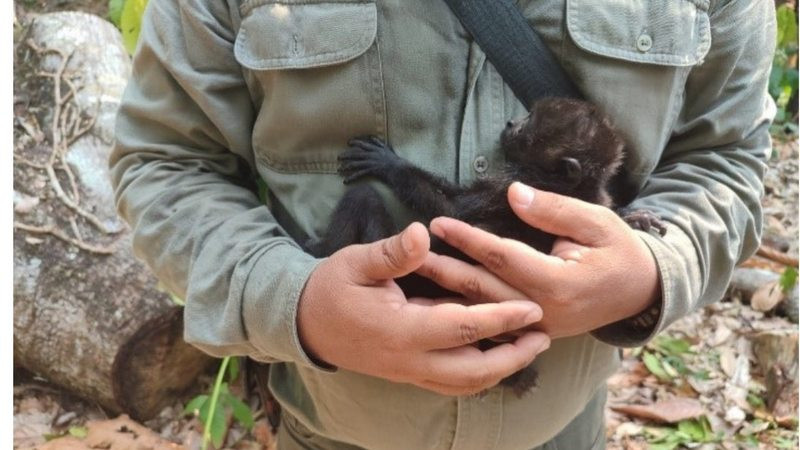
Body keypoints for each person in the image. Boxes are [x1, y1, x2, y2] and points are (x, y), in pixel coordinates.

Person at [110, 1, 776, 448]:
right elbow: (166, 160)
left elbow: (727, 159)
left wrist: (651, 274)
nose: (512, 132)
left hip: (563, 427)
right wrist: (297, 301)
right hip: (335, 426)